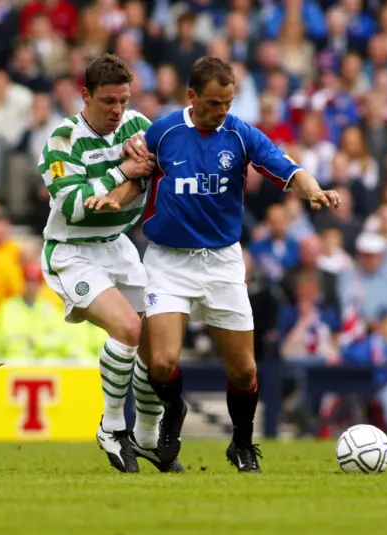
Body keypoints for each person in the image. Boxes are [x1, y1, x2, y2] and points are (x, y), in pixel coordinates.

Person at [97, 56, 341, 472]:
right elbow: (136, 176)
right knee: (161, 362)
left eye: (227, 103)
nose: (221, 111)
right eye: (213, 103)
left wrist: (313, 189)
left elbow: (288, 168)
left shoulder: (240, 134)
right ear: (192, 97)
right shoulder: (165, 131)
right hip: (168, 263)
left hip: (223, 263)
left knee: (245, 371)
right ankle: (173, 411)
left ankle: (242, 444)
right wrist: (113, 197)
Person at [38, 53, 180, 474]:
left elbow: (150, 173)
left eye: (123, 100)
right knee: (129, 328)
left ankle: (148, 436)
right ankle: (112, 427)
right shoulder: (62, 140)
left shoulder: (138, 127)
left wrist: (128, 183)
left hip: (118, 246)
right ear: (85, 96)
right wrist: (124, 171)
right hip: (73, 251)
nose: (118, 111)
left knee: (158, 347)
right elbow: (77, 207)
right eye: (108, 102)